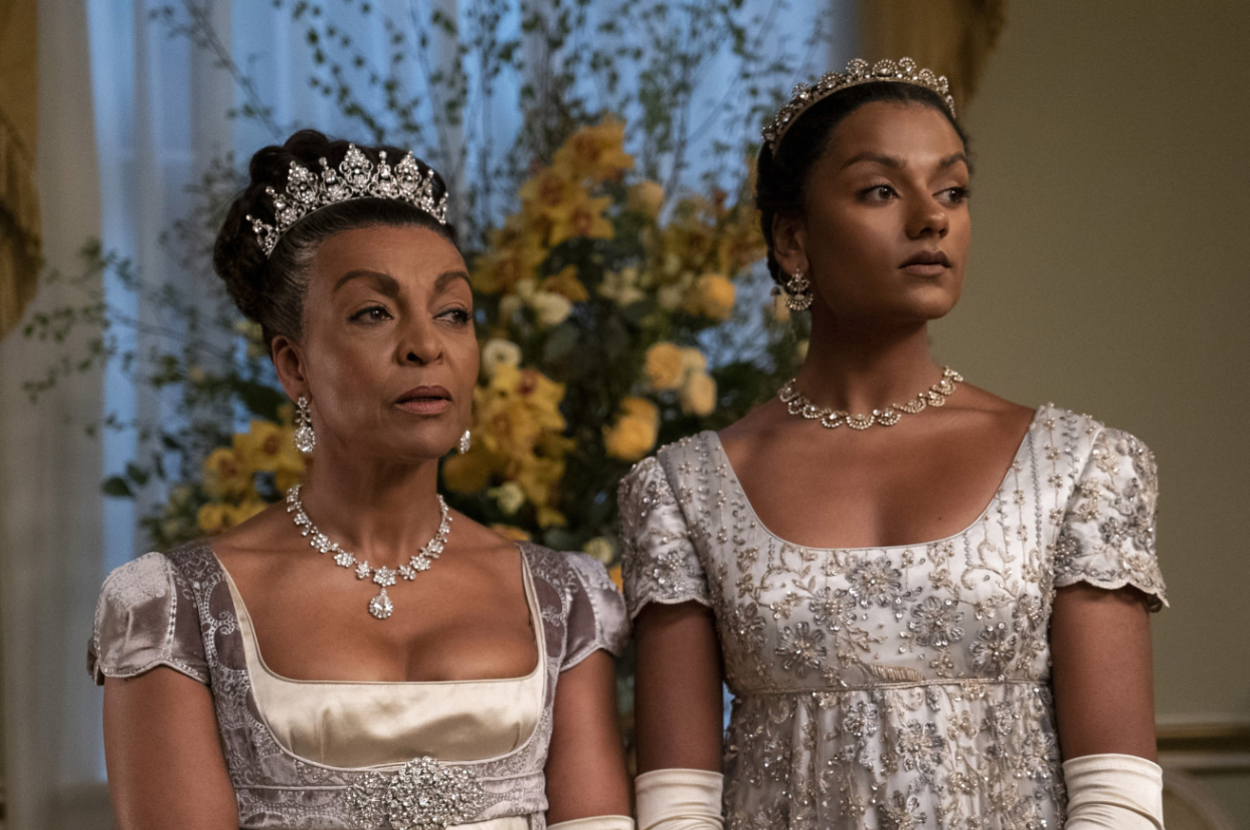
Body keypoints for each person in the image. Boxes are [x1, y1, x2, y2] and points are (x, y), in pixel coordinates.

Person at [619, 59, 1166, 830]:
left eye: (952, 190)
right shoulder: (682, 490)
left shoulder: (1080, 469)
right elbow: (677, 805)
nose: (930, 218)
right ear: (794, 238)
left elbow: (1117, 795)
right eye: (881, 190)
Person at [90, 131, 633, 830]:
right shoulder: (173, 610)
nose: (425, 344)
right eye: (373, 312)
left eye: (453, 313)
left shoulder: (565, 599)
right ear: (293, 364)